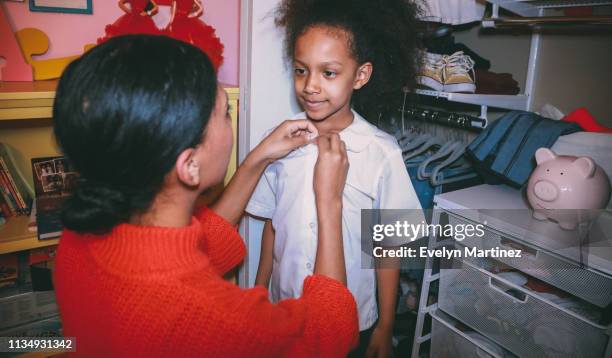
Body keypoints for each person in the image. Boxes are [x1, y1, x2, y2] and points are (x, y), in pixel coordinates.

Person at [52, 35, 358, 357]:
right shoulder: (213, 317)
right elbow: (331, 333)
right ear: (189, 165)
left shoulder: (75, 241)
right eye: (226, 113)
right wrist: (329, 201)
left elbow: (196, 249)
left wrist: (258, 158)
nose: (311, 86)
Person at [247, 0, 424, 357]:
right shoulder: (281, 141)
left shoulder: (382, 152)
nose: (310, 86)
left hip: (352, 318)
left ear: (360, 75)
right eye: (301, 70)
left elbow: (387, 246)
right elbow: (272, 223)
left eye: (328, 73)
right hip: (286, 308)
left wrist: (386, 326)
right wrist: (260, 288)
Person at [166, 0, 224, 71]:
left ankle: (188, 70)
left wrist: (172, 24)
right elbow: (174, 12)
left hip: (181, 22)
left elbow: (173, 14)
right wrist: (189, 16)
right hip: (182, 22)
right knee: (185, 46)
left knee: (186, 46)